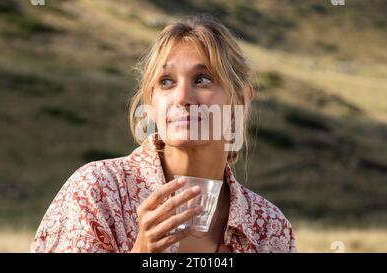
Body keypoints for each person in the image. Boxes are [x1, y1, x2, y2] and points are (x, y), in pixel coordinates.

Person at [31, 15, 296, 253]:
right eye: (166, 82)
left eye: (202, 79)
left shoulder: (269, 229)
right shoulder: (97, 192)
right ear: (152, 101)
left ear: (239, 101)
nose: (182, 98)